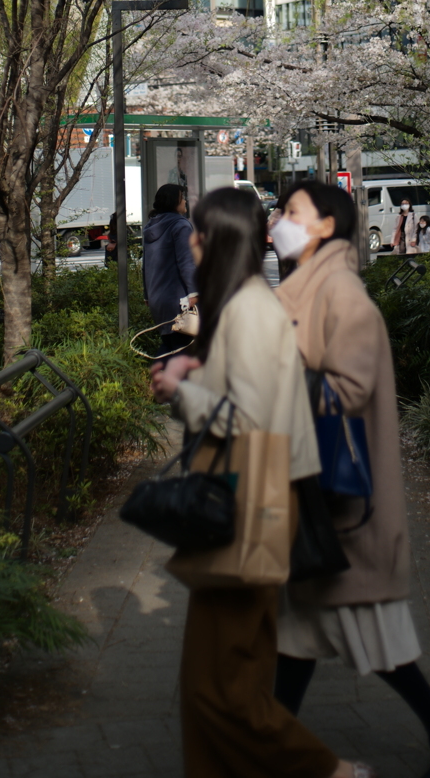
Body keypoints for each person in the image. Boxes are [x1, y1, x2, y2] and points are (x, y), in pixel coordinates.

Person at [150, 187, 371, 778]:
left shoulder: (249, 312)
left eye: (198, 233)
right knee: (225, 684)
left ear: (218, 239)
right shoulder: (248, 306)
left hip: (248, 507)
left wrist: (182, 392)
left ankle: (329, 772)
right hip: (258, 504)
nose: (191, 242)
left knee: (216, 689)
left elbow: (246, 419)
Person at [269, 180, 430, 778]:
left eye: (292, 213)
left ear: (327, 226)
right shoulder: (309, 292)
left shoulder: (341, 295)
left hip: (343, 506)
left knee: (349, 630)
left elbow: (348, 390)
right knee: (302, 633)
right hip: (321, 503)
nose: (279, 223)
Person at [142, 184, 198, 358]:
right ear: (174, 201)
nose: (185, 201)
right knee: (182, 348)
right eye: (182, 197)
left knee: (170, 343)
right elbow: (186, 262)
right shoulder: (180, 225)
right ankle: (161, 378)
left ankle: (161, 377)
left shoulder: (151, 226)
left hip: (157, 298)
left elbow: (147, 265)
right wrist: (194, 293)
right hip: (178, 298)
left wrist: (147, 295)